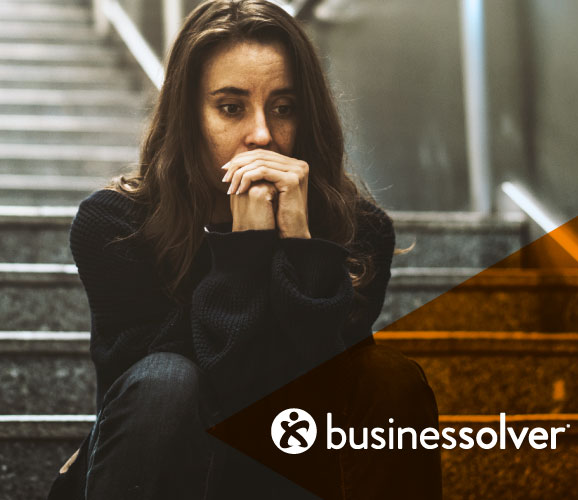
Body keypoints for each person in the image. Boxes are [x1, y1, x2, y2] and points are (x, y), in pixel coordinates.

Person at [46, 1, 441, 498]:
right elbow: (184, 395)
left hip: (287, 465)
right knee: (170, 380)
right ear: (189, 116)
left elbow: (316, 387)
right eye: (231, 108)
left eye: (284, 108)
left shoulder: (358, 230)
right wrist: (245, 249)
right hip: (168, 468)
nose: (263, 135)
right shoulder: (115, 224)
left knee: (389, 379)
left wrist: (301, 246)